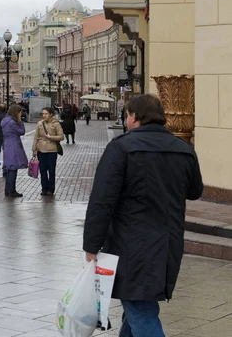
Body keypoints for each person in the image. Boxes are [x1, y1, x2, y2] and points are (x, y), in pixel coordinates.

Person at [83, 94, 203, 337]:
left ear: (134, 117)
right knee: (137, 304)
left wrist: (91, 245)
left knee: (140, 309)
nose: (126, 120)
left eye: (126, 115)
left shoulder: (121, 148)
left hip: (130, 245)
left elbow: (102, 201)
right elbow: (195, 191)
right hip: (168, 242)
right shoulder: (184, 149)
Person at [32, 107, 64, 196]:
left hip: (51, 150)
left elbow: (61, 136)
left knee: (51, 170)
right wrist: (34, 149)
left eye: (46, 114)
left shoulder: (56, 124)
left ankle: (51, 189)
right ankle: (44, 188)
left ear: (51, 114)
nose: (44, 115)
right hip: (41, 150)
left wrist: (51, 137)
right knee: (42, 170)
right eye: (43, 114)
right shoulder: (40, 124)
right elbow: (36, 137)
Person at [1, 104, 27, 197]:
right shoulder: (13, 123)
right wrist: (20, 122)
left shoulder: (5, 120)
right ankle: (11, 190)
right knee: (13, 168)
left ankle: (8, 189)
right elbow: (22, 132)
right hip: (14, 145)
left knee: (9, 168)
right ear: (16, 112)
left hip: (7, 144)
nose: (21, 114)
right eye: (20, 112)